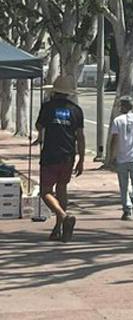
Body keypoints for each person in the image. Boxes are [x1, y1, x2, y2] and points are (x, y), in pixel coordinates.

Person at [32, 74, 87, 241]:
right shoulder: (76, 110)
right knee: (62, 188)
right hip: (68, 155)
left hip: (50, 154)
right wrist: (82, 160)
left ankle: (63, 216)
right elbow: (81, 137)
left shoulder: (47, 107)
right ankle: (58, 228)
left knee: (45, 191)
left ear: (55, 92)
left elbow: (39, 126)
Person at [107, 96, 133, 219]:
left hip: (122, 159)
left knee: (123, 186)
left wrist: (112, 156)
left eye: (120, 106)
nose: (119, 108)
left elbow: (114, 140)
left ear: (124, 107)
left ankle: (127, 210)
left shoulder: (118, 121)